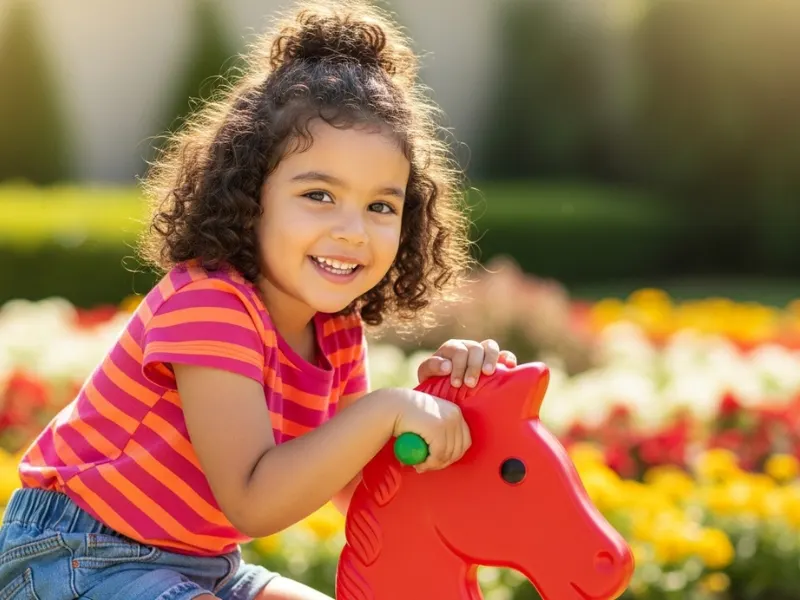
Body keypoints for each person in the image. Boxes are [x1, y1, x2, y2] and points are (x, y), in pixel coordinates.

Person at [0, 1, 517, 598]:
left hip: (202, 564)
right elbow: (253, 499)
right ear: (250, 196)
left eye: (381, 205)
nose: (353, 229)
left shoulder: (335, 329)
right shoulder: (210, 305)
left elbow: (357, 485)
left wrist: (444, 401)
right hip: (77, 555)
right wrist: (384, 410)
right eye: (320, 195)